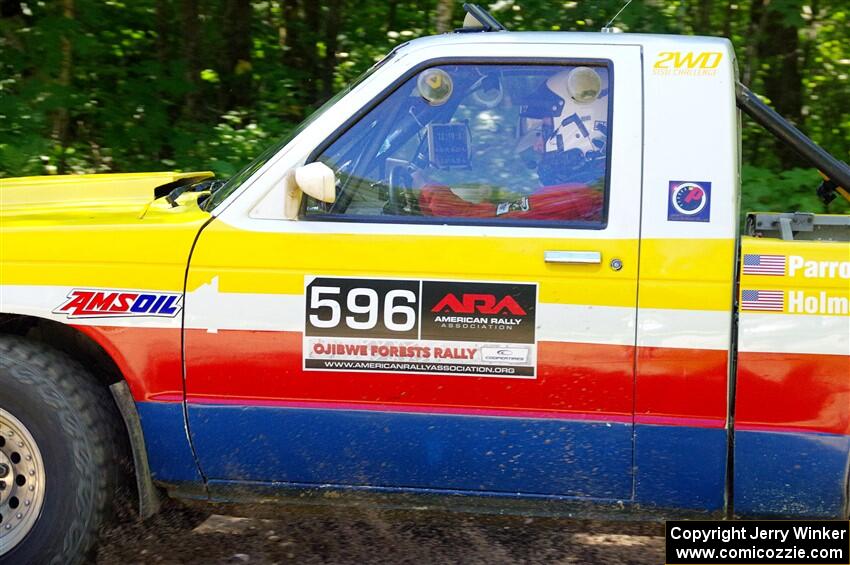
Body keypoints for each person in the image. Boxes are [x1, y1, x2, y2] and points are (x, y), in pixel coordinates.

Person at [416, 66, 608, 222]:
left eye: (546, 130)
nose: (537, 146)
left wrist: (426, 189)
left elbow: (484, 221)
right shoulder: (595, 188)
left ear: (580, 127)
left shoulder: (573, 197)